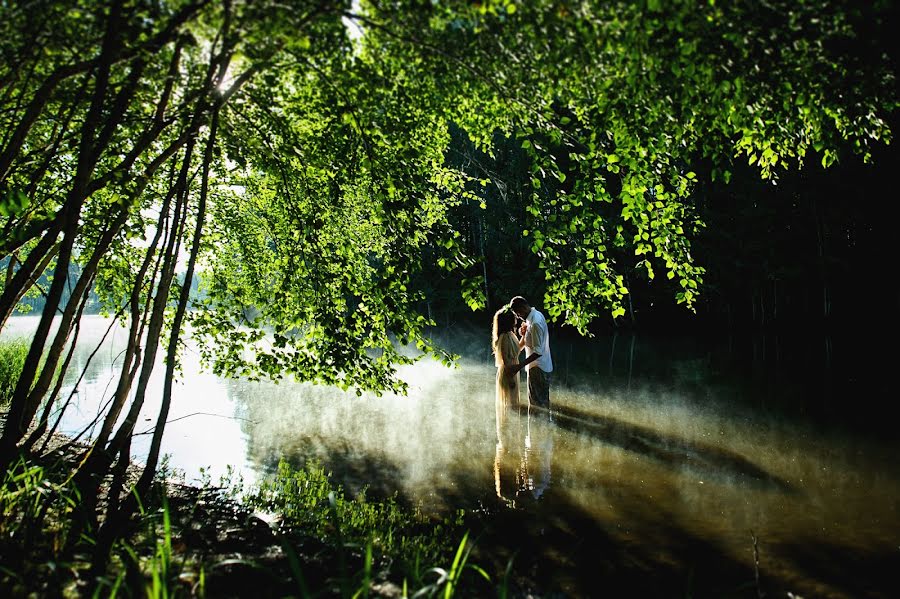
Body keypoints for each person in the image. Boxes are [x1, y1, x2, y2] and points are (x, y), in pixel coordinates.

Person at [509, 295, 553, 410]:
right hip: (539, 366)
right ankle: (543, 426)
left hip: (538, 368)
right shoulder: (532, 317)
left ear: (523, 307)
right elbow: (530, 341)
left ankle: (539, 426)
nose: (518, 316)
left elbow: (538, 352)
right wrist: (523, 334)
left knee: (536, 405)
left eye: (518, 313)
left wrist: (519, 366)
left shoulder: (535, 322)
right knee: (540, 403)